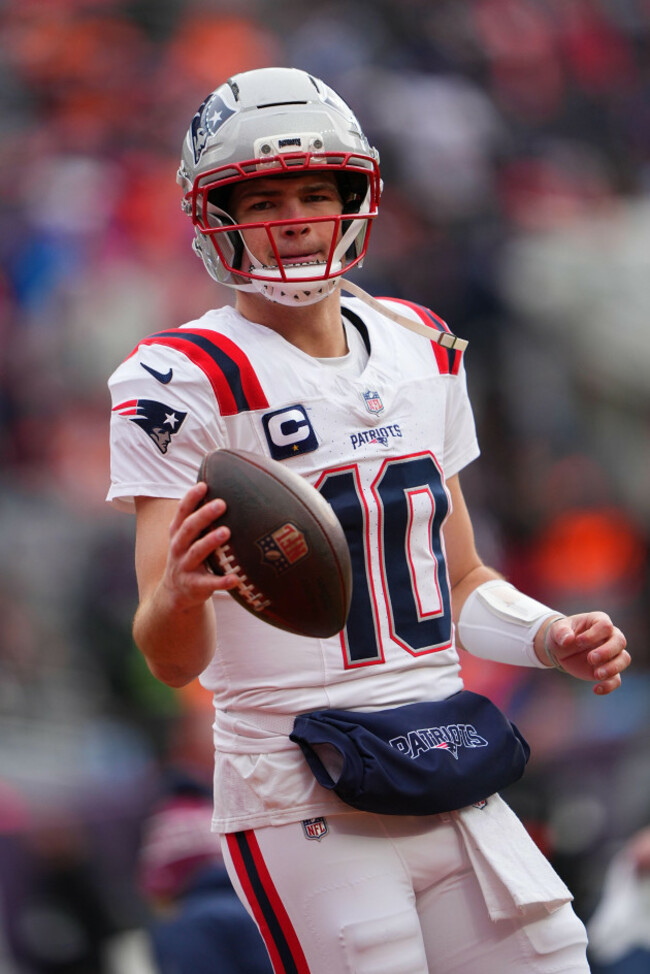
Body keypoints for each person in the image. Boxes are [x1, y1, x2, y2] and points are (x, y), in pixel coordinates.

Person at [107, 67, 630, 973]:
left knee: (556, 953)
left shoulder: (422, 341)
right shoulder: (181, 377)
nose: (296, 216)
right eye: (262, 196)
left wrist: (549, 635)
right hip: (300, 786)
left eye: (316, 190)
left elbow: (458, 579)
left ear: (358, 196)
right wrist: (186, 596)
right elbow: (168, 656)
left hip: (441, 753)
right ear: (210, 214)